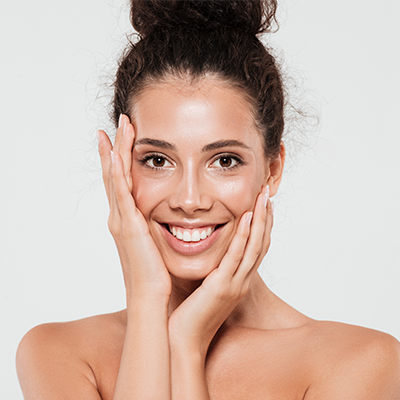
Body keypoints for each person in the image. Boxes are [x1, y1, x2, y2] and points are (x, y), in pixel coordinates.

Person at [16, 0, 400, 398]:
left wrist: (186, 344)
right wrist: (148, 303)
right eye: (157, 160)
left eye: (225, 160)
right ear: (120, 167)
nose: (189, 199)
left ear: (272, 169)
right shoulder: (58, 353)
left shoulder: (360, 362)